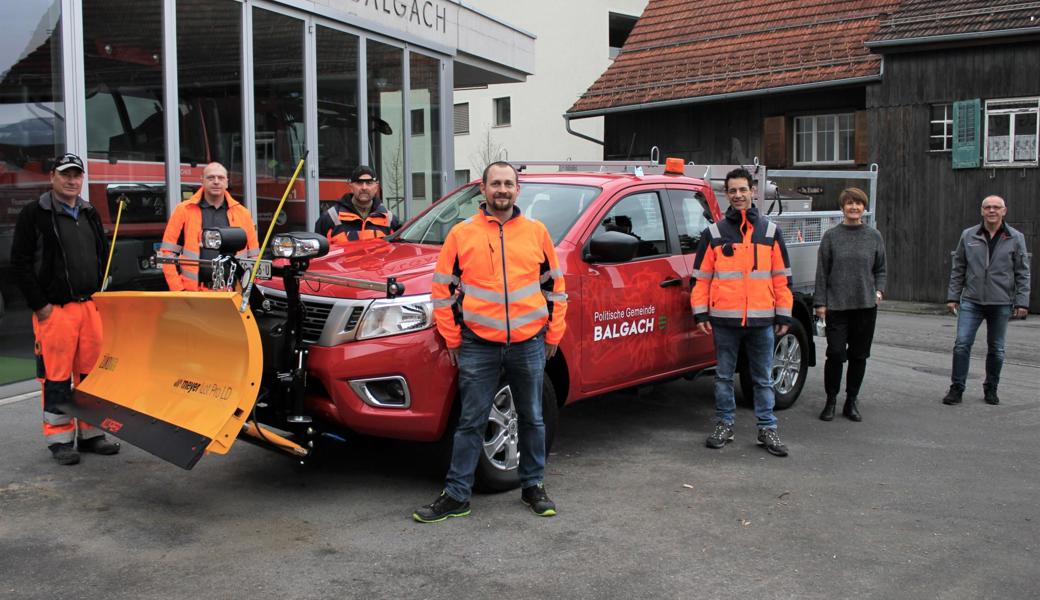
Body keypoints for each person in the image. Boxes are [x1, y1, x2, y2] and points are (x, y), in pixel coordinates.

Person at [413, 161, 567, 522]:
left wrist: (553, 333)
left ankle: (533, 487)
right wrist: (452, 338)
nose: (502, 190)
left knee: (532, 418)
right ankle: (457, 495)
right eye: (495, 183)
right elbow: (441, 291)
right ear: (482, 189)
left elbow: (555, 287)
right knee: (470, 422)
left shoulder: (536, 232)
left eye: (508, 184)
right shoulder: (461, 234)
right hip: (478, 344)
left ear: (518, 190)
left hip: (529, 343)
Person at [10, 153, 121, 465]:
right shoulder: (35, 213)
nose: (72, 180)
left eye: (77, 175)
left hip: (89, 308)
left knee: (92, 374)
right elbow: (19, 263)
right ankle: (60, 440)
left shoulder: (89, 212)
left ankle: (91, 434)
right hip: (55, 311)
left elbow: (100, 255)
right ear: (52, 178)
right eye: (65, 175)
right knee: (57, 378)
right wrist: (40, 305)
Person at [691, 167, 793, 457]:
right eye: (732, 190)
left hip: (762, 320)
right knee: (723, 377)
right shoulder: (714, 233)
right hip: (724, 320)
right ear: (726, 194)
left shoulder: (770, 232)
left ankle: (767, 428)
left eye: (742, 190)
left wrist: (783, 315)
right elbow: (700, 279)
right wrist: (700, 314)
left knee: (762, 378)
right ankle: (724, 423)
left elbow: (782, 278)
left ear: (752, 192)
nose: (738, 195)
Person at [943, 195, 1031, 406]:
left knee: (996, 348)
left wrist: (1022, 301)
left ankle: (991, 388)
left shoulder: (1015, 237)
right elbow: (959, 268)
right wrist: (953, 296)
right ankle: (957, 388)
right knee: (962, 344)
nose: (992, 211)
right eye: (988, 207)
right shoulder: (969, 235)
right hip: (971, 301)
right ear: (982, 211)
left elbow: (1023, 272)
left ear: (1004, 211)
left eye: (996, 207)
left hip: (1001, 302)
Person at [813, 188, 887, 422]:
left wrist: (878, 291)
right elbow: (822, 271)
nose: (854, 207)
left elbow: (881, 268)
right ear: (842, 207)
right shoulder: (831, 236)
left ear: (864, 207)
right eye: (849, 203)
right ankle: (830, 400)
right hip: (836, 306)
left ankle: (851, 400)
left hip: (865, 306)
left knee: (859, 355)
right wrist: (820, 302)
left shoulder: (874, 236)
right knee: (835, 354)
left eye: (858, 203)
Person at [159, 162, 259, 291]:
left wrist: (247, 289)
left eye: (221, 178)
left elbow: (254, 257)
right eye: (211, 178)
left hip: (234, 293)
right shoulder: (184, 210)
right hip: (194, 294)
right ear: (202, 181)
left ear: (227, 182)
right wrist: (179, 290)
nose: (216, 182)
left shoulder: (243, 213)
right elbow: (167, 254)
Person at [314, 165, 400, 244]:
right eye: (359, 183)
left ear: (376, 187)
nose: (364, 187)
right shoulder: (330, 219)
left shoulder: (390, 220)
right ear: (351, 187)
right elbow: (318, 255)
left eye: (369, 183)